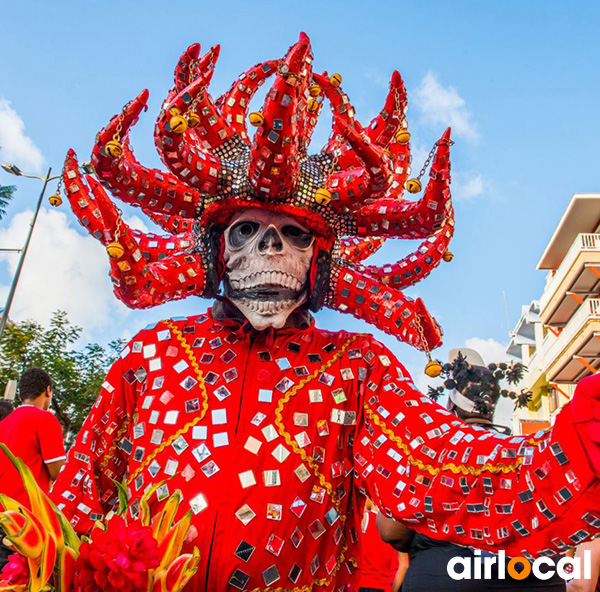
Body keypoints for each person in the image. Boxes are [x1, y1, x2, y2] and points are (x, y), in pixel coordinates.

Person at [49, 34, 600, 592]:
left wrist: (586, 437)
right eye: (247, 230)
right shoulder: (154, 355)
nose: (270, 250)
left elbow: (448, 471)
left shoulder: (355, 370)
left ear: (320, 260)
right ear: (215, 246)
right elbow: (75, 499)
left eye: (293, 234)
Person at [377, 349, 567, 591]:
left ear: (450, 406)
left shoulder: (428, 455)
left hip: (446, 576)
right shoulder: (528, 452)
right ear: (493, 407)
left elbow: (392, 531)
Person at [0, 368, 66, 568]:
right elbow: (58, 473)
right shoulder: (46, 419)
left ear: (20, 395)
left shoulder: (3, 423)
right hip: (24, 521)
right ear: (48, 391)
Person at [359, 498, 403, 592]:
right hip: (385, 585)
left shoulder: (365, 518)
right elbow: (403, 565)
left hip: (363, 583)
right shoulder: (397, 528)